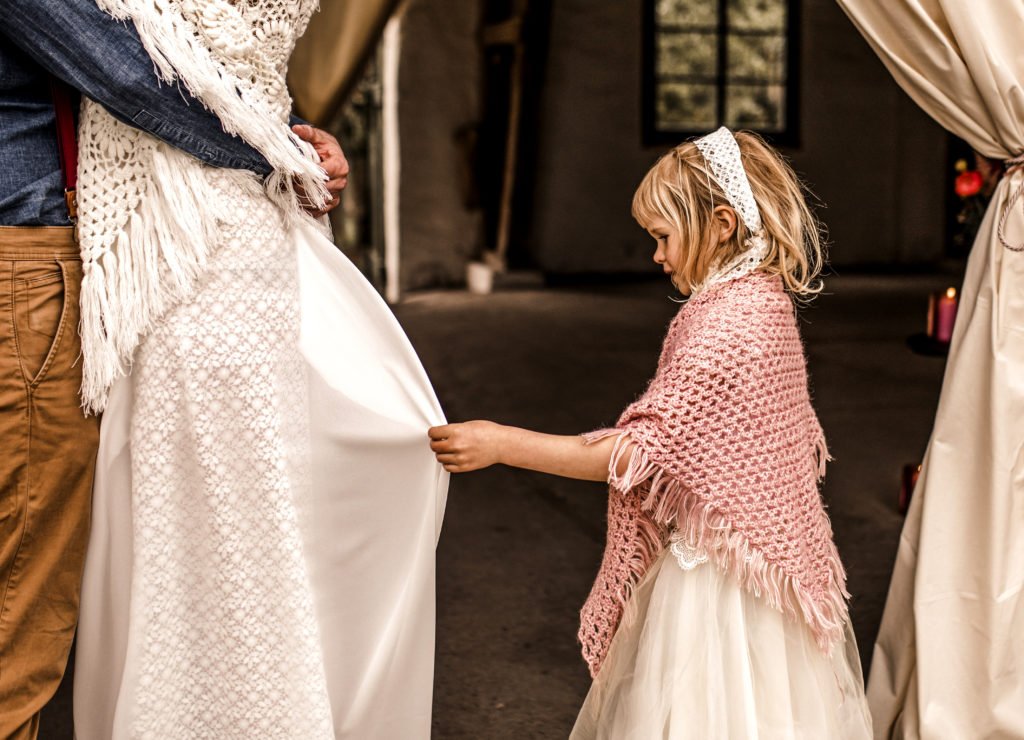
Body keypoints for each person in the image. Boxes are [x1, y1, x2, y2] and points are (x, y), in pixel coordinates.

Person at [0, 1, 448, 738]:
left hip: (141, 244)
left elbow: (197, 59)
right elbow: (129, 73)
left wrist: (285, 130)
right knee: (24, 588)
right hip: (52, 249)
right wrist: (277, 146)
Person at [429, 128, 873, 738]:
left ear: (720, 223)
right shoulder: (758, 300)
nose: (658, 257)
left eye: (663, 237)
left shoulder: (730, 323)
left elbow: (639, 453)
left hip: (720, 585)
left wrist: (502, 443)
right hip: (751, 570)